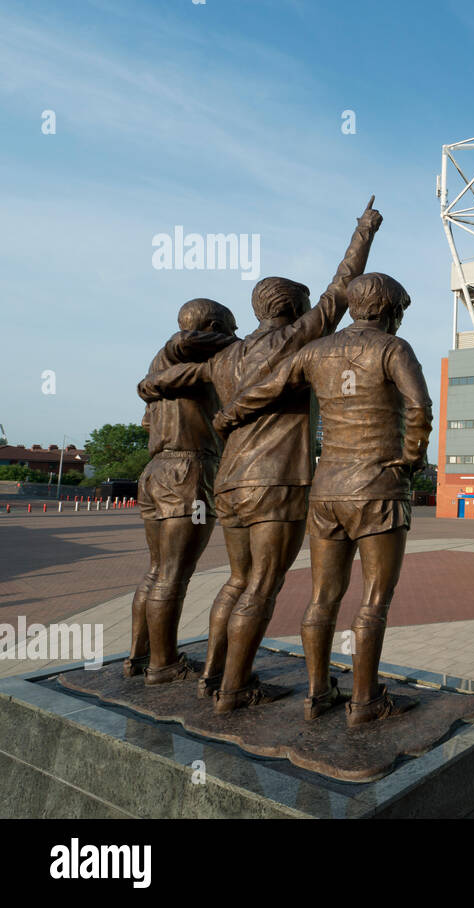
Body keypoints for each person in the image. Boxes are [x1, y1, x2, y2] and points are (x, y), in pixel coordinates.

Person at [137, 197, 382, 713]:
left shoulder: (224, 357)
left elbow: (155, 382)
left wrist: (174, 354)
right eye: (306, 304)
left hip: (227, 482)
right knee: (262, 588)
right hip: (276, 482)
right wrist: (365, 229)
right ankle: (234, 689)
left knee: (237, 581)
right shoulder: (293, 339)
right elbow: (342, 290)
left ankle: (212, 677)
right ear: (290, 310)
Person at [215, 273, 432, 726]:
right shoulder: (393, 348)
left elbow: (266, 389)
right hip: (378, 487)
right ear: (389, 310)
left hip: (326, 489)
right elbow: (419, 407)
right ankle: (365, 700)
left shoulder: (314, 351)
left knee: (322, 598)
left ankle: (317, 695)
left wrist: (229, 414)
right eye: (400, 312)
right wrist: (411, 458)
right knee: (374, 599)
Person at [126, 299, 238, 683]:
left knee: (157, 570)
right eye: (229, 329)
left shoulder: (161, 368)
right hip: (188, 471)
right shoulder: (194, 360)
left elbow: (146, 423)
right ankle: (164, 664)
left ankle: (139, 657)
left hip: (155, 471)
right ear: (210, 327)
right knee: (174, 573)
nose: (234, 338)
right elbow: (186, 341)